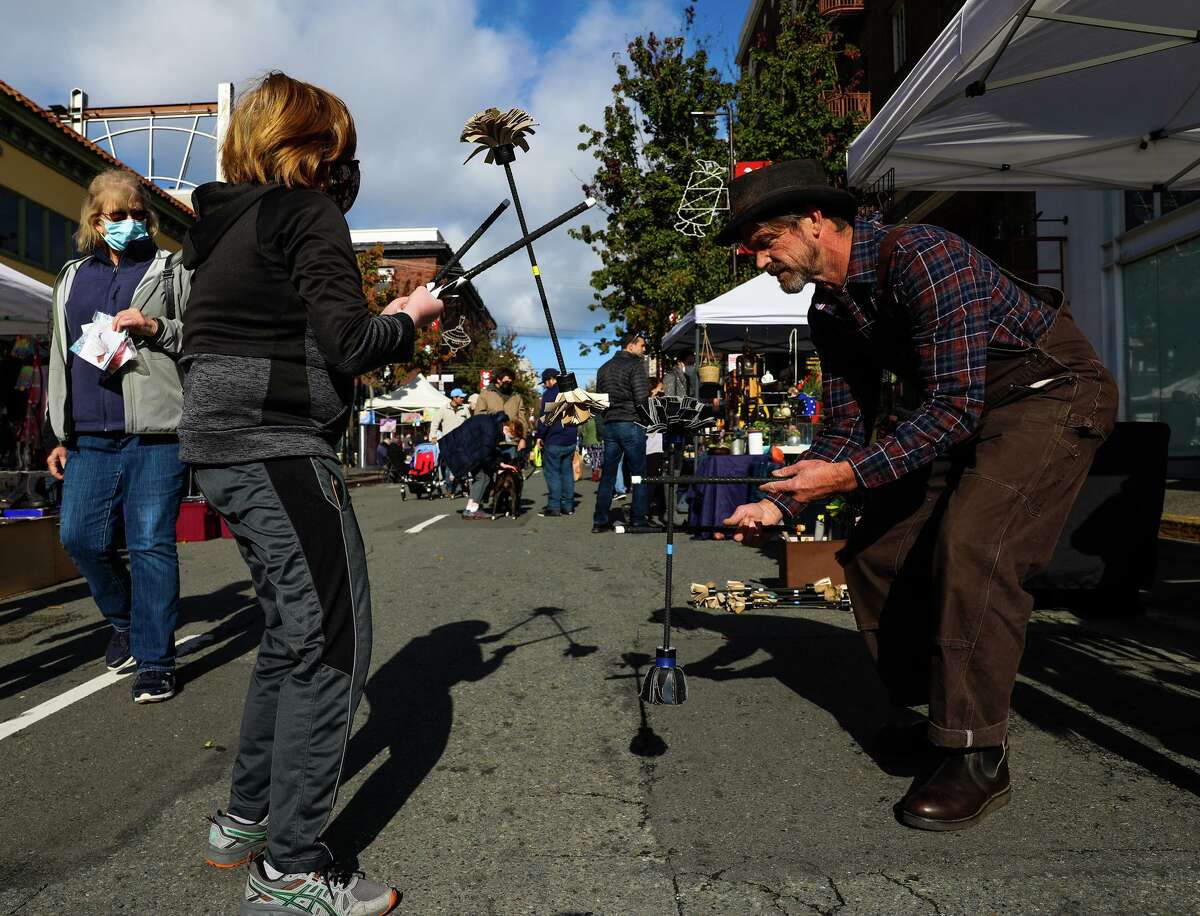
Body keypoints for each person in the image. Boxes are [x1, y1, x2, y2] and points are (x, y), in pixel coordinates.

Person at [719, 159, 1118, 832]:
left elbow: (954, 410)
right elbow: (847, 427)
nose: (759, 261)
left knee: (976, 546)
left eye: (765, 242)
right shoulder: (829, 309)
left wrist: (843, 479)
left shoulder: (925, 255)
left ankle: (976, 752)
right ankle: (943, 716)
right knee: (877, 549)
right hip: (967, 410)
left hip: (1048, 393)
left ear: (815, 221)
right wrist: (780, 504)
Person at [179, 72, 442, 913]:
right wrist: (412, 316)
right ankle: (292, 864)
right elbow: (351, 343)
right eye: (341, 151)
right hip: (277, 448)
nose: (345, 170)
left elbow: (293, 328)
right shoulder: (308, 212)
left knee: (293, 640)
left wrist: (381, 314)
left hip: (221, 448)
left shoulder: (223, 227)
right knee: (334, 643)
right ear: (315, 148)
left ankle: (246, 821)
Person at [46, 168, 190, 705]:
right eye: (116, 215)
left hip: (156, 430)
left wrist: (156, 328)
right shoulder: (70, 277)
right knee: (79, 538)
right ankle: (126, 621)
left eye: (136, 214)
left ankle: (155, 661)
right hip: (88, 432)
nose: (128, 223)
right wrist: (57, 432)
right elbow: (59, 351)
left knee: (152, 542)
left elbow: (200, 333)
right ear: (94, 219)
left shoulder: (169, 270)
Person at [592, 329, 650, 532]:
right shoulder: (636, 365)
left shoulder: (604, 368)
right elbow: (642, 399)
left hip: (610, 425)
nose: (644, 349)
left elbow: (599, 403)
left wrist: (603, 427)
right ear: (631, 345)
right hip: (631, 423)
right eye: (642, 345)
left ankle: (600, 521)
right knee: (638, 475)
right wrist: (648, 421)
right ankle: (638, 518)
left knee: (608, 475)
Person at [535, 368, 578, 517]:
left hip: (554, 438)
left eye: (545, 382)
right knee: (566, 472)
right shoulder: (570, 392)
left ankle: (554, 506)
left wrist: (539, 435)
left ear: (550, 380)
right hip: (571, 437)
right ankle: (568, 506)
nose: (545, 386)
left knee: (552, 473)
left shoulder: (550, 394)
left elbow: (546, 418)